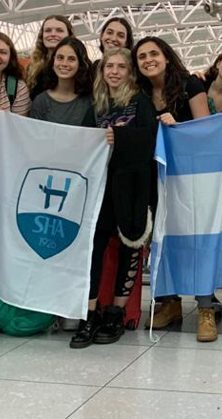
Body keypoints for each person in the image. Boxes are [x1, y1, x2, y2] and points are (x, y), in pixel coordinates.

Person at [71, 49, 155, 348]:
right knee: (93, 248)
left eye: (121, 66)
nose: (115, 71)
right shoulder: (95, 104)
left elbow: (150, 139)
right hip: (99, 186)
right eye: (110, 66)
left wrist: (121, 138)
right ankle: (89, 313)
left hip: (131, 185)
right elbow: (80, 139)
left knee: (130, 245)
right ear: (102, 70)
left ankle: (116, 312)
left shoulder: (140, 101)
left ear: (130, 71)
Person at [133, 37, 215, 340]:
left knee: (196, 240)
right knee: (160, 240)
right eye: (142, 56)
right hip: (152, 177)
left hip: (189, 178)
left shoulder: (190, 85)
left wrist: (177, 125)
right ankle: (170, 303)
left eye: (154, 53)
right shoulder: (137, 92)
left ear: (167, 57)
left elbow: (205, 130)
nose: (148, 60)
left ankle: (206, 308)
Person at [28, 37, 95, 127]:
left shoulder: (90, 101)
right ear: (53, 62)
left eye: (71, 59)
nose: (64, 64)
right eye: (60, 58)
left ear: (80, 64)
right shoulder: (41, 101)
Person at [26, 15, 75, 99]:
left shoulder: (79, 67)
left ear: (69, 35)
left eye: (59, 30)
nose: (53, 34)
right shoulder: (32, 67)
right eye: (48, 30)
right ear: (42, 35)